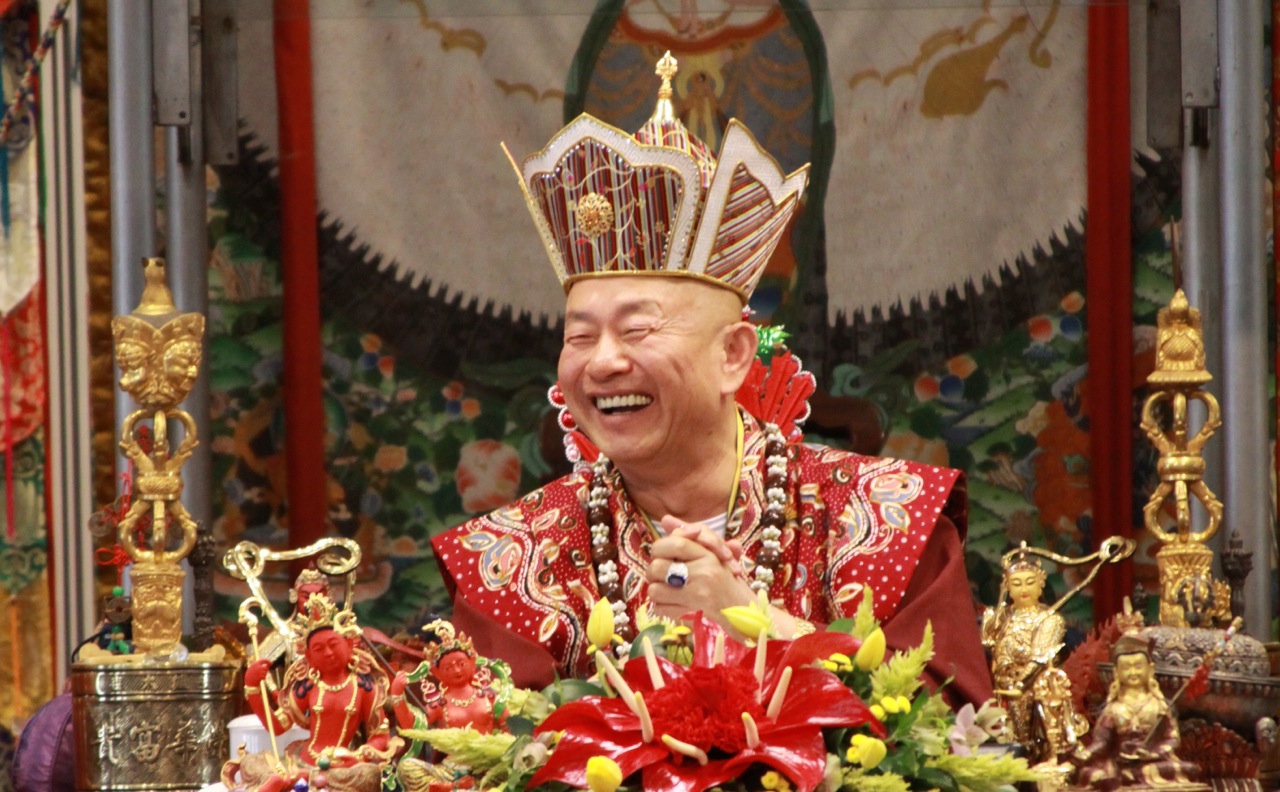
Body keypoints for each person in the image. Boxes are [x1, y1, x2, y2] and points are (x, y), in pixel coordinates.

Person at [432, 52, 992, 708]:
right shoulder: (513, 560)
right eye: (579, 337)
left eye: (637, 330)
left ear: (732, 355)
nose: (602, 362)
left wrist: (753, 622)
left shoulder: (886, 522)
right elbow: (475, 736)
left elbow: (953, 730)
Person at [232, 593, 398, 792]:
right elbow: (277, 726)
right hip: (301, 760)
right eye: (319, 649)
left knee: (369, 774)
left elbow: (381, 736)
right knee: (251, 762)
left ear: (349, 645)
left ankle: (292, 781)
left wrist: (358, 756)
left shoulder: (364, 686)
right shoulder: (308, 686)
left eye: (334, 645)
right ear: (308, 656)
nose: (328, 653)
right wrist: (252, 688)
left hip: (341, 767)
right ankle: (291, 779)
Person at [981, 547, 1088, 761]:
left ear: (1041, 585)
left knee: (1031, 743)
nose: (1023, 589)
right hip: (1001, 688)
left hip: (1034, 688)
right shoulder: (1003, 617)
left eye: (1030, 582)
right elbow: (987, 643)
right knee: (1002, 740)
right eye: (1016, 583)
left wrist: (1020, 685)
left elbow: (1041, 657)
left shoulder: (1050, 619)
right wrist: (997, 609)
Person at [1070, 634, 1204, 790]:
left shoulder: (1159, 705)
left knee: (1188, 769)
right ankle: (1126, 777)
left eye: (1138, 666)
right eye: (1126, 668)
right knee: (1089, 773)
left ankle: (1131, 778)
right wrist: (1086, 754)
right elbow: (1102, 742)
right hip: (1119, 763)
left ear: (1150, 669)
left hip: (1152, 763)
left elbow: (1172, 739)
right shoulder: (1113, 708)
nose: (1133, 672)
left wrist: (1154, 753)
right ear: (1116, 672)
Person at [390, 620, 509, 735]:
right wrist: (397, 695)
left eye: (461, 664)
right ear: (437, 673)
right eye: (448, 668)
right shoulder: (441, 704)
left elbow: (510, 730)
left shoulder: (489, 697)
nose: (457, 670)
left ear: (472, 662)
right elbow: (412, 726)